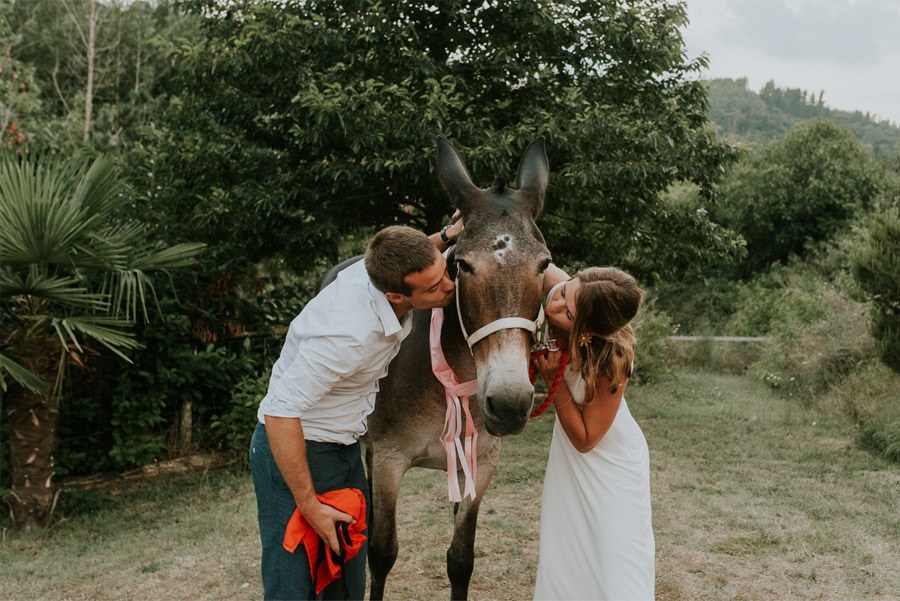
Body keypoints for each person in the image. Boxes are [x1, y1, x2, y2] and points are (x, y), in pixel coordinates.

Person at [250, 222, 460, 600]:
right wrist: (310, 507)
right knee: (293, 588)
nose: (449, 287)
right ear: (396, 295)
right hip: (296, 450)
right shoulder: (347, 335)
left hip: (343, 449)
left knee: (346, 582)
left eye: (443, 273)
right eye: (433, 287)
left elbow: (414, 259)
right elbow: (281, 412)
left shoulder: (377, 272)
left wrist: (446, 235)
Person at [532, 264, 655, 601]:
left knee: (614, 563)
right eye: (565, 290)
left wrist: (552, 381)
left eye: (567, 313)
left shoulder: (612, 356)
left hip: (608, 462)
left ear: (587, 331)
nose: (553, 306)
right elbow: (529, 259)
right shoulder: (574, 288)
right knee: (564, 553)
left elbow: (587, 439)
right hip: (567, 461)